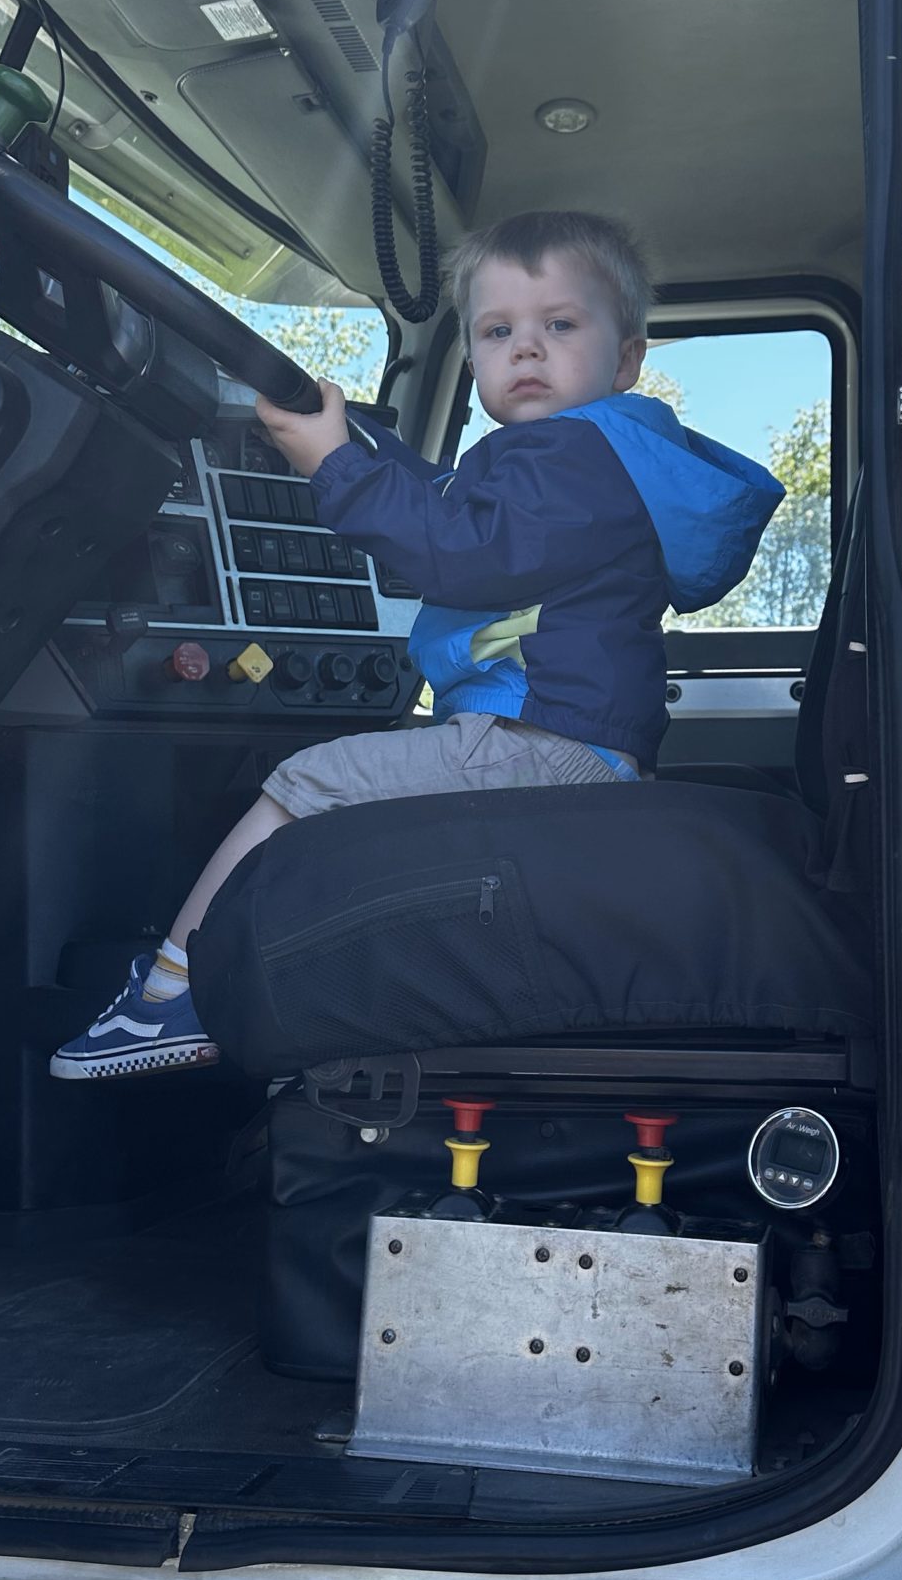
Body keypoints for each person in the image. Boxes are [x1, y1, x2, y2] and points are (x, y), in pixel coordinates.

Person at [51, 210, 783, 1078]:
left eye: (559, 325)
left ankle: (170, 995)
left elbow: (456, 551)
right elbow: (449, 503)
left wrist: (334, 469)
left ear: (625, 360)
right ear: (472, 360)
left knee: (301, 784)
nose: (527, 348)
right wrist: (363, 449)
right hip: (563, 738)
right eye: (498, 332)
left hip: (539, 738)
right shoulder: (580, 457)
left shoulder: (574, 457)